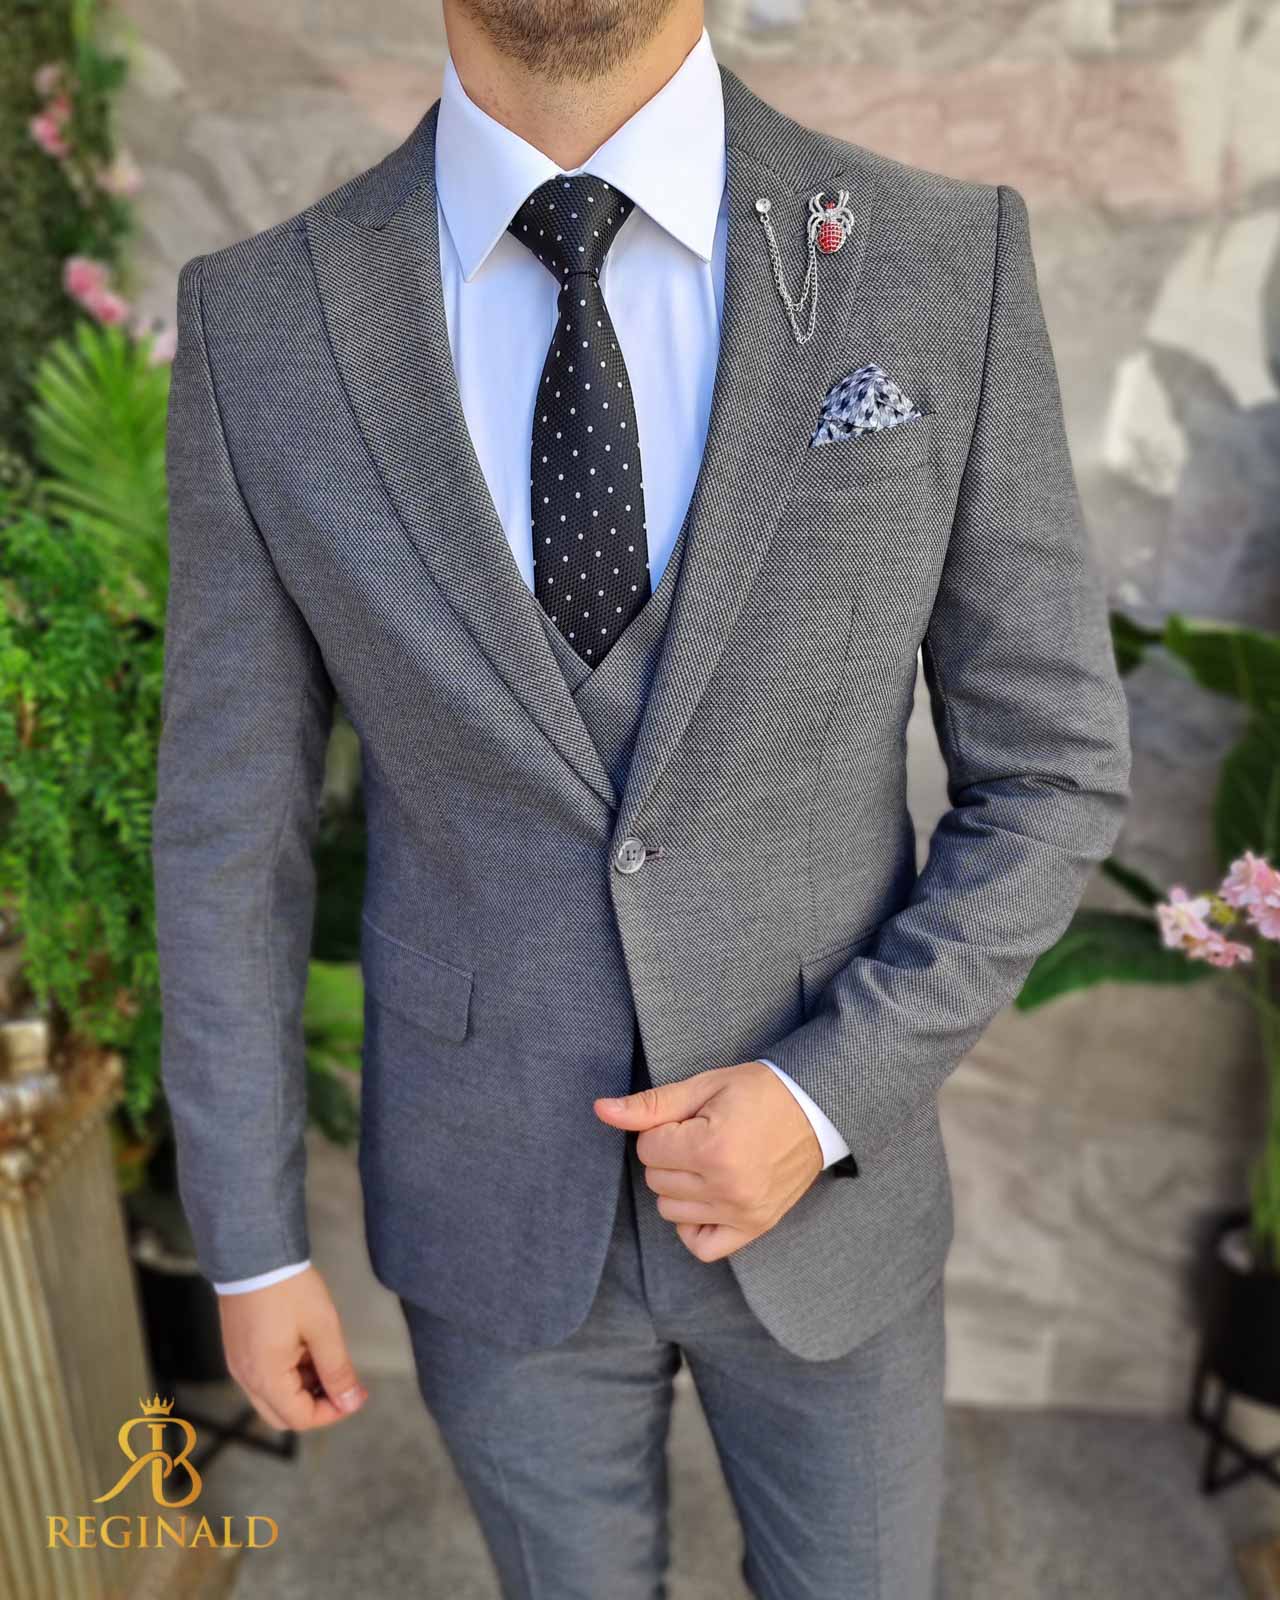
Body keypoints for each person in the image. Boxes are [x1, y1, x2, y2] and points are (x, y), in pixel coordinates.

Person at [153, 2, 1132, 1594]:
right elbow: (225, 839)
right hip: (486, 1208)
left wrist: (825, 1097)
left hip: (833, 1195)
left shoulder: (940, 260)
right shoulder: (263, 320)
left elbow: (1054, 769)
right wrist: (251, 1250)